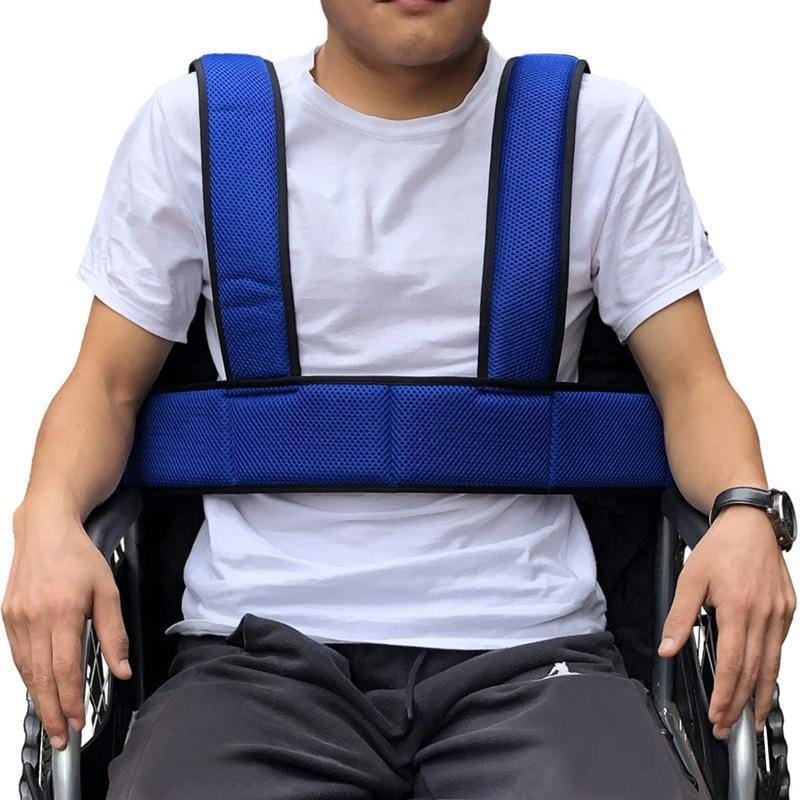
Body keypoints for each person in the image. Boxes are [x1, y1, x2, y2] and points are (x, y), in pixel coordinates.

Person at [4, 0, 795, 797]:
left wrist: (744, 511)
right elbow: (104, 387)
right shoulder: (198, 133)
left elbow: (694, 385)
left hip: (535, 651)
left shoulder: (600, 132)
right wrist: (46, 516)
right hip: (253, 656)